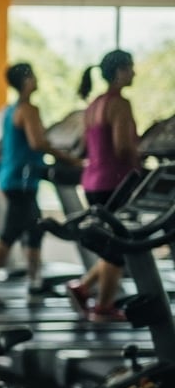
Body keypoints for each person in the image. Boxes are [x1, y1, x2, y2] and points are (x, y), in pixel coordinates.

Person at [0, 62, 81, 305]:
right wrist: (68, 158)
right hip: (21, 179)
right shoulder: (29, 109)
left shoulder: (11, 109)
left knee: (35, 229)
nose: (37, 79)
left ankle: (34, 283)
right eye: (33, 75)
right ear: (27, 80)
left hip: (14, 177)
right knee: (10, 233)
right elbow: (37, 142)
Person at [65, 50, 141, 323]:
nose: (134, 73)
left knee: (112, 243)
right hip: (116, 181)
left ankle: (84, 287)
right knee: (117, 247)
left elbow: (87, 148)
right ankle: (104, 307)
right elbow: (122, 147)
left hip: (93, 182)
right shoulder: (120, 104)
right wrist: (141, 162)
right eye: (131, 68)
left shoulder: (94, 104)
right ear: (119, 71)